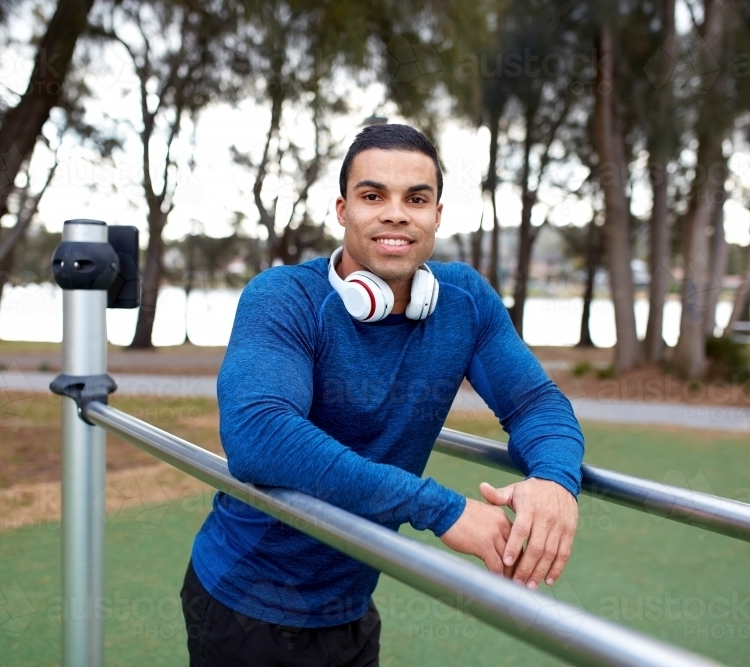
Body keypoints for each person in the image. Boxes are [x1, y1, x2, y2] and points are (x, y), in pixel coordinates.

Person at [180, 123, 584, 666]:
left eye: (416, 199)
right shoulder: (283, 298)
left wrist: (554, 481)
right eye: (374, 196)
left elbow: (535, 403)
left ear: (437, 215)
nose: (396, 213)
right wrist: (440, 509)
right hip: (246, 604)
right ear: (343, 209)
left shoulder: (465, 302)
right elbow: (259, 434)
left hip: (351, 606)